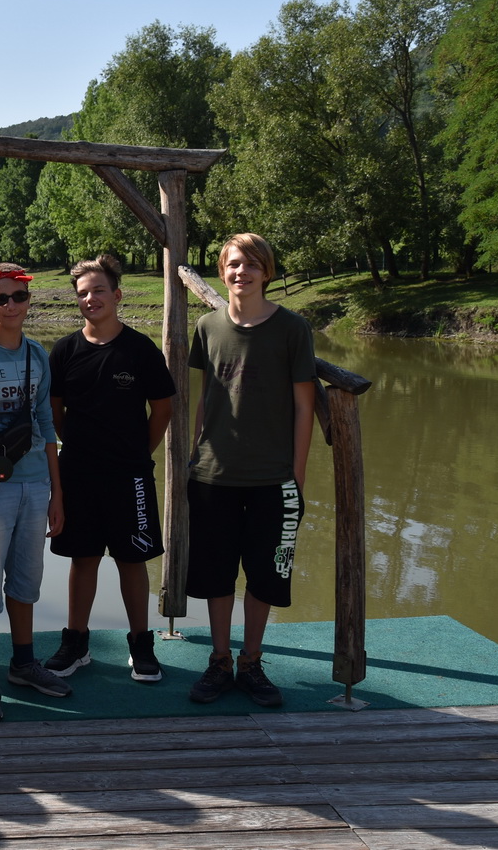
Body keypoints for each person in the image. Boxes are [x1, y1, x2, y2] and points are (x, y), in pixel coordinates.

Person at [186, 233, 316, 708]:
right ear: (222, 271)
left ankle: (251, 662)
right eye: (234, 264)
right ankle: (220, 660)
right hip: (212, 476)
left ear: (267, 272)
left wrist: (295, 476)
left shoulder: (292, 329)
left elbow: (304, 407)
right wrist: (196, 454)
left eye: (252, 264)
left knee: (264, 577)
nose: (242, 272)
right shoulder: (207, 326)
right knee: (217, 575)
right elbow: (206, 398)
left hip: (272, 480)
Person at [43, 255, 176, 685]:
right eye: (83, 293)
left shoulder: (140, 349)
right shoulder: (64, 351)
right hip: (78, 474)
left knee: (132, 560)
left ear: (117, 295)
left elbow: (162, 409)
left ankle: (141, 645)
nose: (91, 298)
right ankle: (76, 643)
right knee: (82, 560)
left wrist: (137, 453)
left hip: (129, 476)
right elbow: (55, 412)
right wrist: (78, 447)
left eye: (98, 290)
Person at [0, 264, 71, 722]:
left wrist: (56, 492)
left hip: (35, 483)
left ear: (28, 301)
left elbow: (46, 425)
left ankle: (24, 662)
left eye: (18, 297)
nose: (10, 305)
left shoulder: (37, 354)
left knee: (26, 581)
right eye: (0, 298)